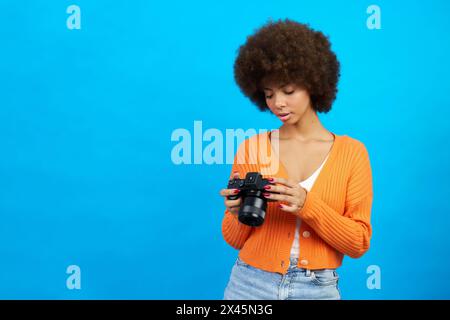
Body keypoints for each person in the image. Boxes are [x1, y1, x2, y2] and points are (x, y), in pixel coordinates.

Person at [219, 19, 374, 300]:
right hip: (249, 284)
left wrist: (306, 204)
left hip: (317, 289)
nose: (277, 103)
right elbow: (234, 239)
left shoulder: (353, 153)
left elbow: (358, 243)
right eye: (269, 94)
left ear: (314, 83)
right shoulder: (251, 148)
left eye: (288, 91)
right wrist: (235, 213)